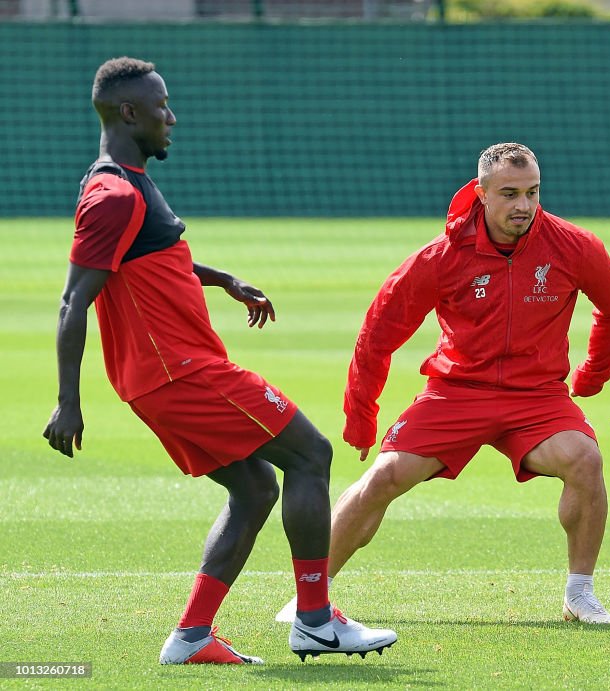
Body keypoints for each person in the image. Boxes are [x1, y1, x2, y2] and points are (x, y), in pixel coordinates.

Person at [41, 57, 397, 665]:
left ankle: (191, 637)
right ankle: (314, 620)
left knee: (255, 487)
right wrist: (68, 402)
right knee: (311, 455)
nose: (171, 117)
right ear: (130, 113)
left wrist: (224, 278)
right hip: (179, 373)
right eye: (161, 106)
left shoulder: (122, 182)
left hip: (170, 373)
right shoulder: (114, 193)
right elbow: (75, 300)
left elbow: (153, 258)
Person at [276, 142, 610, 625]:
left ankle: (580, 593)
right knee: (382, 478)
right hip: (456, 393)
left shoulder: (573, 245)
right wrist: (361, 418)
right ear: (482, 193)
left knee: (585, 459)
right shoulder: (441, 255)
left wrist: (592, 375)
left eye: (532, 192)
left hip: (537, 396)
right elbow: (377, 334)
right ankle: (312, 596)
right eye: (510, 194)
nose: (524, 206)